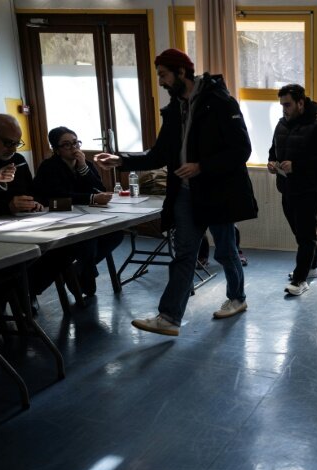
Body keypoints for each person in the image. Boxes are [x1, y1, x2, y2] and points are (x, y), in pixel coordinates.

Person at [94, 49, 257, 336]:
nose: (160, 81)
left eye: (163, 75)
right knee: (184, 254)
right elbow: (159, 155)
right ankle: (169, 317)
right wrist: (122, 160)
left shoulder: (220, 102)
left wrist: (201, 167)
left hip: (218, 191)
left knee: (226, 250)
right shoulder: (173, 111)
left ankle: (237, 297)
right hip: (185, 193)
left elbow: (241, 149)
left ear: (182, 72)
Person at [0, 114, 75, 298]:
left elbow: (32, 192)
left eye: (17, 143)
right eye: (7, 142)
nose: (12, 149)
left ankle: (25, 293)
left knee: (63, 249)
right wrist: (6, 204)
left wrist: (33, 203)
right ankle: (8, 298)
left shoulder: (18, 159)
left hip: (22, 226)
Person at [33, 126, 123, 296]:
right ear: (57, 149)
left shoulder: (85, 164)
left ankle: (77, 269)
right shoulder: (49, 167)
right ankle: (82, 273)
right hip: (59, 215)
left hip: (87, 215)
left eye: (76, 143)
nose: (74, 148)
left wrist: (83, 168)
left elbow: (99, 188)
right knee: (88, 239)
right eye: (67, 145)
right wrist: (90, 198)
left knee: (116, 234)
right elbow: (57, 196)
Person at [268, 84, 317, 296]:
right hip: (287, 187)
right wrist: (272, 162)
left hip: (311, 188)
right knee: (300, 233)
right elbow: (273, 149)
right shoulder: (281, 125)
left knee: (305, 235)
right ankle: (312, 267)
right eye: (282, 105)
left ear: (301, 103)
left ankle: (300, 279)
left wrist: (297, 165)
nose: (284, 109)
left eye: (287, 104)